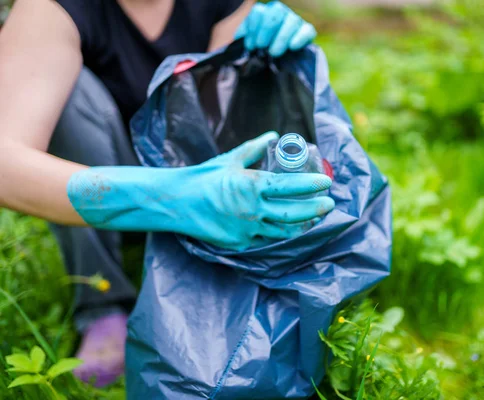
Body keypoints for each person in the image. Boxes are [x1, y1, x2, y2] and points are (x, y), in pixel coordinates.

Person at [0, 0, 334, 387]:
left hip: (202, 181)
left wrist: (257, 58)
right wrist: (170, 196)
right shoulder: (51, 8)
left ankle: (216, 274)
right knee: (66, 90)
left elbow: (224, 117)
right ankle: (102, 304)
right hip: (107, 186)